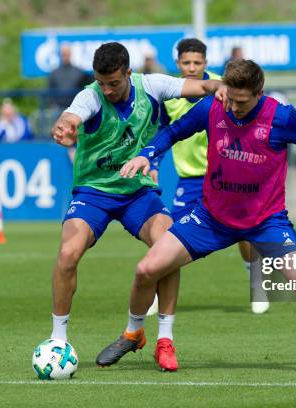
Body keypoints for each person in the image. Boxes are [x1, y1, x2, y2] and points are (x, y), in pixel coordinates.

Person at [98, 59, 296, 375]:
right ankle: (133, 333)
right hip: (211, 218)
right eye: (230, 98)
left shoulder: (281, 116)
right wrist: (146, 153)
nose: (233, 107)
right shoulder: (214, 106)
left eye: (242, 101)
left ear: (259, 93)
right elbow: (175, 131)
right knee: (145, 269)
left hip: (267, 221)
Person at [49, 42, 226, 372]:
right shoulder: (90, 96)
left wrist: (221, 87)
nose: (107, 89)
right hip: (93, 193)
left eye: (114, 82)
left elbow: (200, 85)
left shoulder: (152, 86)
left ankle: (163, 340)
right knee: (67, 254)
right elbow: (71, 115)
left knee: (170, 245)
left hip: (136, 192)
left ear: (128, 73)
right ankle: (58, 341)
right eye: (101, 82)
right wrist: (65, 124)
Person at [157, 38, 269, 315]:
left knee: (244, 233)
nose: (192, 67)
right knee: (170, 233)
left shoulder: (224, 87)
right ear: (178, 64)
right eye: (187, 63)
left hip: (227, 175)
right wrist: (153, 162)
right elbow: (163, 131)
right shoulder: (170, 93)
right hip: (190, 179)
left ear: (206, 64)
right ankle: (157, 295)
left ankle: (256, 281)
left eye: (197, 62)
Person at [48, 44, 91, 112]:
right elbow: (50, 93)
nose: (65, 56)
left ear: (70, 54)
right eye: (63, 54)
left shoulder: (80, 73)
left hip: (76, 109)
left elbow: (87, 91)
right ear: (61, 54)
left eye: (67, 53)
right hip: (58, 109)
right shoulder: (54, 73)